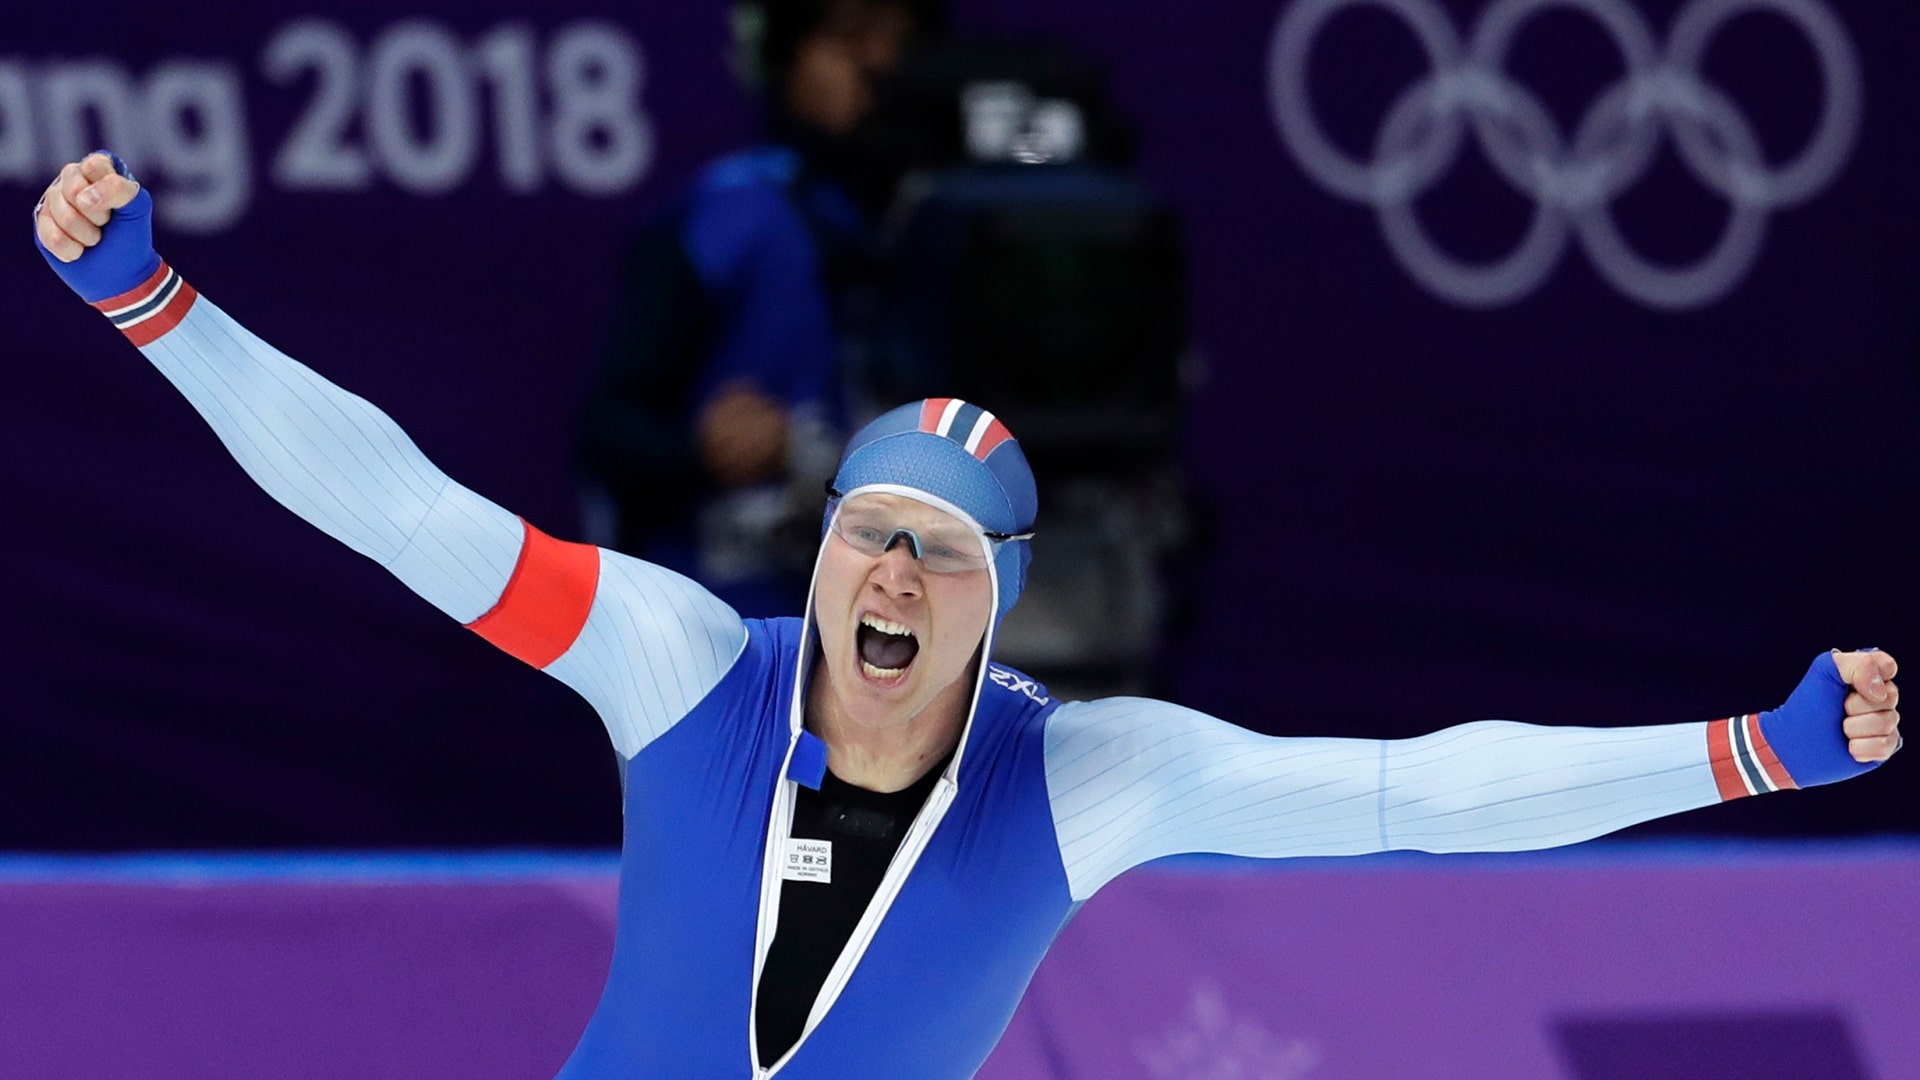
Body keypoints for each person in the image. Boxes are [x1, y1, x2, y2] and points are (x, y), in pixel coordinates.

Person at [34, 153, 1902, 1080]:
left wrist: (1752, 752)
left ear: (1000, 605)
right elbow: (397, 509)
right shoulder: (682, 671)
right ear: (820, 550)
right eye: (869, 535)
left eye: (939, 556)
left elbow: (1420, 792)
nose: (893, 577)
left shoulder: (1085, 781)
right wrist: (153, 307)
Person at [577, 0, 932, 618]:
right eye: (849, 36)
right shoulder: (728, 219)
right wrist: (700, 453)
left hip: (916, 623)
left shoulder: (965, 222)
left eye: (902, 40)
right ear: (780, 57)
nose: (880, 61)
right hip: (738, 625)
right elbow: (609, 430)